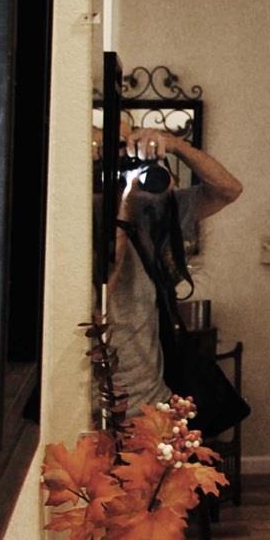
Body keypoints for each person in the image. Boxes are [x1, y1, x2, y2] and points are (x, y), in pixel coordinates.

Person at [106, 125, 243, 411]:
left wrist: (175, 145)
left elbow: (229, 190)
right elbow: (105, 282)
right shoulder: (87, 211)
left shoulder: (160, 211)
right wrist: (123, 204)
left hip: (152, 393)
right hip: (105, 401)